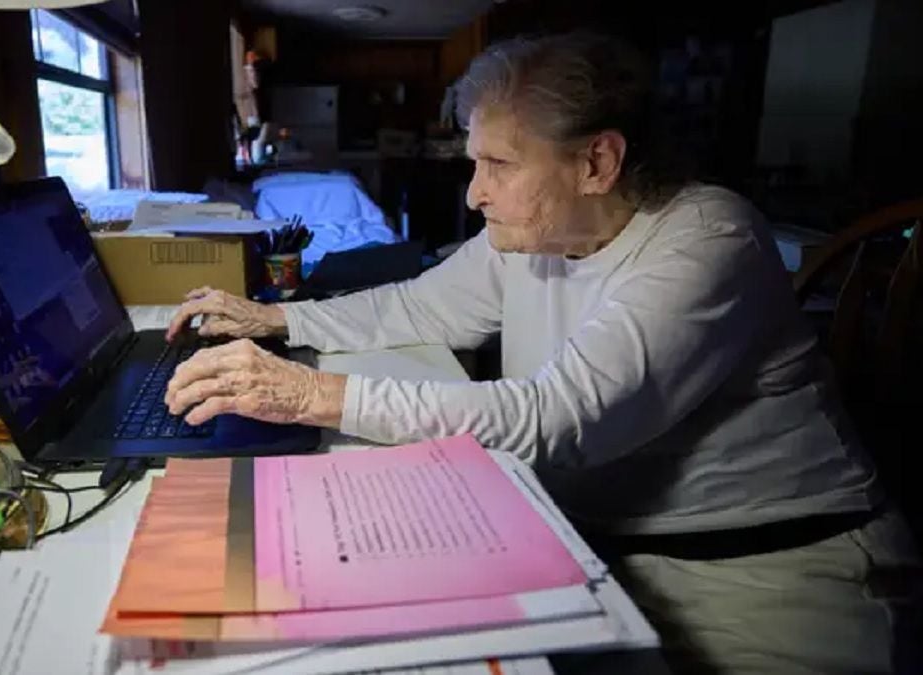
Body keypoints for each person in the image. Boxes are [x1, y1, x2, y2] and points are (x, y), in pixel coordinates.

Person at [163, 32, 921, 674]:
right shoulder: (532, 235)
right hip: (607, 541)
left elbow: (556, 419)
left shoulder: (709, 240)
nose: (472, 195)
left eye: (498, 165)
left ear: (596, 162)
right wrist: (274, 319)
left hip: (769, 576)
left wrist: (307, 395)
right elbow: (417, 303)